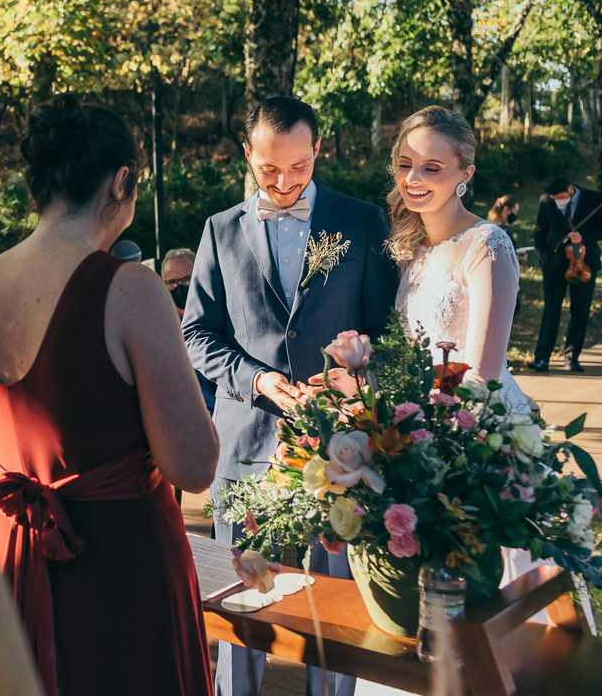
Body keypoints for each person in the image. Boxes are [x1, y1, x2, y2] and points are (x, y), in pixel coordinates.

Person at [0, 93, 220, 696]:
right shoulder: (132, 289)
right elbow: (193, 465)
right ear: (120, 181)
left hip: (13, 554)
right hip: (117, 566)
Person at [181, 96, 398, 696]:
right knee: (240, 607)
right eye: (269, 169)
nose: (283, 183)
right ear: (247, 154)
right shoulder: (219, 230)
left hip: (341, 451)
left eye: (298, 168)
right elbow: (196, 333)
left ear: (318, 150)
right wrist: (255, 378)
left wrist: (352, 375)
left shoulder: (360, 223)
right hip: (248, 444)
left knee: (337, 617)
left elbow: (388, 331)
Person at [379, 106, 544, 695]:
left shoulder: (489, 244)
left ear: (465, 174)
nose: (415, 178)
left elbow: (483, 371)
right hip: (421, 436)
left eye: (433, 167)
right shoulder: (412, 253)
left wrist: (421, 429)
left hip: (479, 437)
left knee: (481, 608)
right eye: (405, 164)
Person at [529, 175, 602, 372]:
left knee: (580, 311)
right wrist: (544, 260)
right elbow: (539, 232)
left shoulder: (594, 200)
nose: (556, 201)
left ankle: (572, 356)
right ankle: (542, 357)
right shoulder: (546, 201)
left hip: (584, 264)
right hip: (555, 265)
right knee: (551, 310)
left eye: (560, 197)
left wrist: (584, 237)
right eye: (553, 198)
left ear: (570, 189)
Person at [163, 247, 217, 412]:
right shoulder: (163, 330)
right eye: (172, 282)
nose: (179, 287)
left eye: (186, 279)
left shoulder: (220, 318)